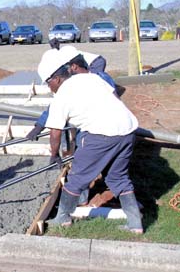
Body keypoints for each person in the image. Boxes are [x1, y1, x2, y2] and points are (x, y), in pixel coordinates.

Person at [37, 49, 143, 234]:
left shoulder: (62, 95)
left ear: (56, 78)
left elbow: (55, 132)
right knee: (118, 178)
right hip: (128, 130)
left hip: (102, 135)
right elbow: (115, 99)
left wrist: (54, 155)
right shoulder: (93, 78)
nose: (49, 88)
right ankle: (135, 225)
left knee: (76, 178)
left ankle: (62, 218)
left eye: (48, 83)